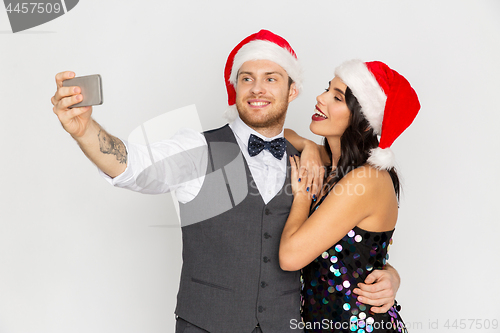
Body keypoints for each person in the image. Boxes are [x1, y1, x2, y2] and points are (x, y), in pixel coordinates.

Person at [51, 31, 401, 333]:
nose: (257, 89)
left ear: (292, 91)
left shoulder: (322, 166)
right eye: (246, 78)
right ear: (234, 89)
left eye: (271, 78)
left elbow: (357, 244)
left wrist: (390, 274)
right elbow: (135, 166)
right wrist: (85, 132)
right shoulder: (200, 149)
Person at [280, 59, 420, 332]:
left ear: (365, 123)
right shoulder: (333, 166)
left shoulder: (367, 179)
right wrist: (308, 146)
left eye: (336, 97)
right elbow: (281, 135)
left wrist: (302, 195)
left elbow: (290, 257)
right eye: (326, 89)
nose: (320, 98)